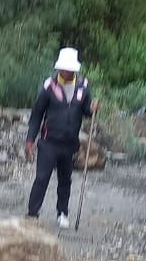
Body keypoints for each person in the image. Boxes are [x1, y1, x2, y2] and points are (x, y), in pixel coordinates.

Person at [25, 46, 99, 228]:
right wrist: (30, 140)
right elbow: (37, 114)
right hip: (49, 142)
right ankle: (32, 213)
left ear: (74, 70)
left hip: (70, 143)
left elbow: (86, 110)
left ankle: (62, 213)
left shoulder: (83, 86)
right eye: (63, 69)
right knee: (42, 178)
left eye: (68, 69)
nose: (65, 72)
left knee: (65, 180)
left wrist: (92, 109)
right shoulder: (49, 86)